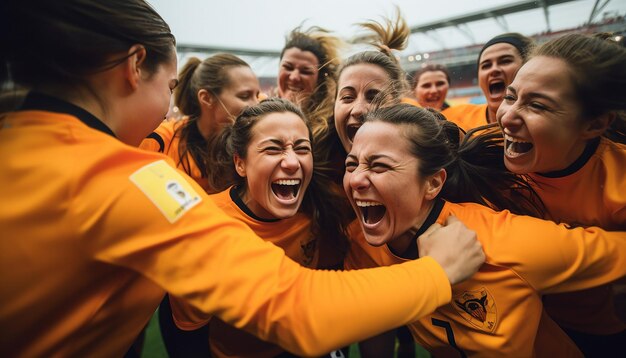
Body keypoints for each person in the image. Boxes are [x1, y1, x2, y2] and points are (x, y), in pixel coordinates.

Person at [0, 1, 486, 356]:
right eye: (170, 87)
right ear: (134, 68)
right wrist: (436, 272)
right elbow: (300, 309)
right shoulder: (130, 181)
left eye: (300, 149)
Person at [343, 104, 626, 356]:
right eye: (351, 165)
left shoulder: (505, 240)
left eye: (379, 166)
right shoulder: (361, 244)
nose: (355, 179)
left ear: (432, 184)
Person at [161, 98, 352, 357]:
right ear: (240, 163)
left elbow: (333, 292)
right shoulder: (204, 227)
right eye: (273, 149)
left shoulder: (320, 209)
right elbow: (188, 332)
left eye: (302, 148)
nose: (292, 162)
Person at [497, 33, 626, 356]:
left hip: (597, 336)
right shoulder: (483, 159)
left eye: (537, 105)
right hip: (514, 327)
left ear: (594, 125)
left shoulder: (620, 182)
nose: (508, 118)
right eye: (510, 97)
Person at [140, 53, 260, 192]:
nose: (256, 105)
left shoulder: (254, 143)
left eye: (257, 96)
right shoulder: (160, 142)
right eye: (244, 96)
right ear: (206, 98)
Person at [442, 32, 533, 132]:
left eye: (505, 61)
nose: (494, 69)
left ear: (528, 67)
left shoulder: (544, 128)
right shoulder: (453, 119)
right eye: (486, 65)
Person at [277, 26, 341, 141]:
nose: (294, 77)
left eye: (305, 71)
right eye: (288, 67)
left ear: (320, 80)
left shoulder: (333, 129)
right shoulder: (257, 116)